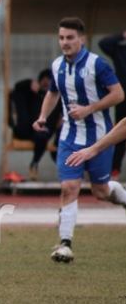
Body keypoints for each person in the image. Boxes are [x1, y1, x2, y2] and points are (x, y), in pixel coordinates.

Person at [33, 17, 126, 263]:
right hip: (69, 139)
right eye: (62, 38)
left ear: (82, 39)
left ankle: (123, 197)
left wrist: (89, 109)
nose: (65, 42)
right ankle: (65, 243)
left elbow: (118, 94)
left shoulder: (98, 65)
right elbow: (53, 92)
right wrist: (43, 116)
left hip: (99, 138)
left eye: (70, 38)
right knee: (69, 187)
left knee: (101, 191)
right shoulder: (56, 66)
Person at [9, 69, 62, 180]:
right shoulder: (32, 94)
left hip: (48, 131)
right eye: (44, 80)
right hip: (28, 129)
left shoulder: (57, 96)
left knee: (44, 137)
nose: (46, 82)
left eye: (49, 80)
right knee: (41, 135)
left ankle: (34, 163)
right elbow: (17, 87)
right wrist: (29, 83)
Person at [99, 31, 126, 178]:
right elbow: (103, 43)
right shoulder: (120, 50)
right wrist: (122, 35)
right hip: (123, 98)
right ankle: (115, 167)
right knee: (120, 131)